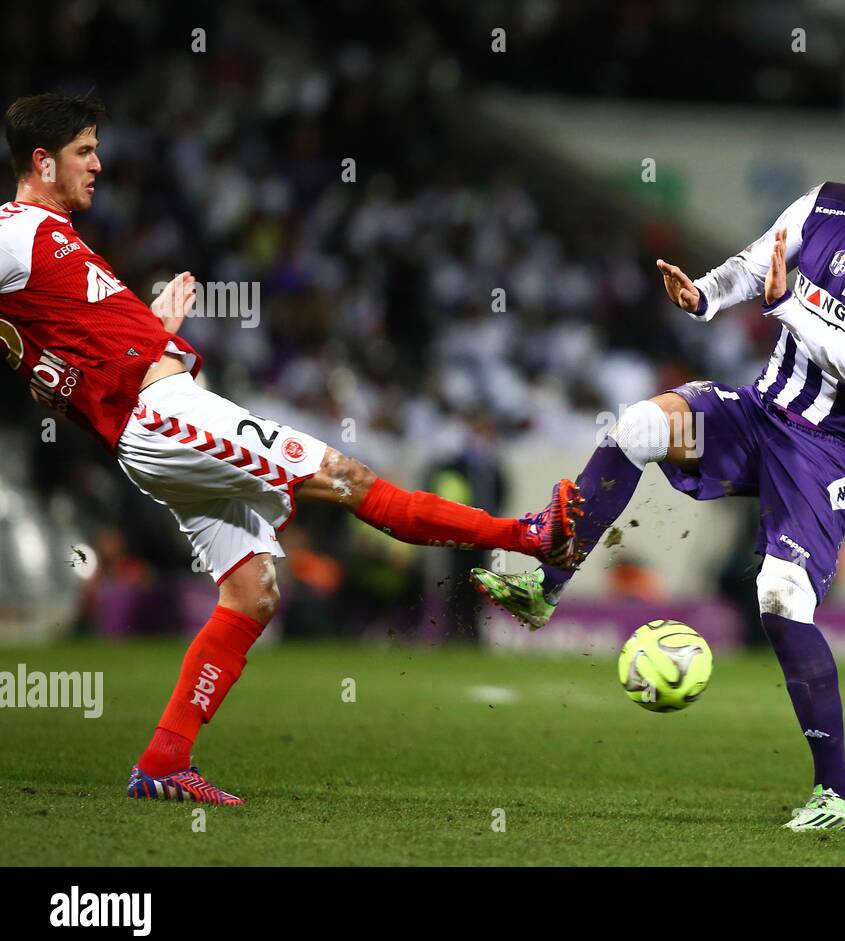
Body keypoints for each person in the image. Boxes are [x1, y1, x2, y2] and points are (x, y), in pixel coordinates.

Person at [0, 92, 583, 806]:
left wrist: (146, 334)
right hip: (162, 418)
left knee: (253, 590)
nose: (99, 163)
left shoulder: (52, 240)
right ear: (41, 160)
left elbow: (58, 350)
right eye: (84, 151)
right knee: (344, 475)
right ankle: (529, 536)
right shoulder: (16, 232)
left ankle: (162, 763)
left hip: (157, 417)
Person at [473, 95, 845, 831]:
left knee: (781, 597)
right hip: (756, 413)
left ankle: (839, 795)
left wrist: (788, 305)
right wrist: (703, 295)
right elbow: (753, 264)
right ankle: (549, 582)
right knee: (638, 425)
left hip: (823, 449)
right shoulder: (824, 206)